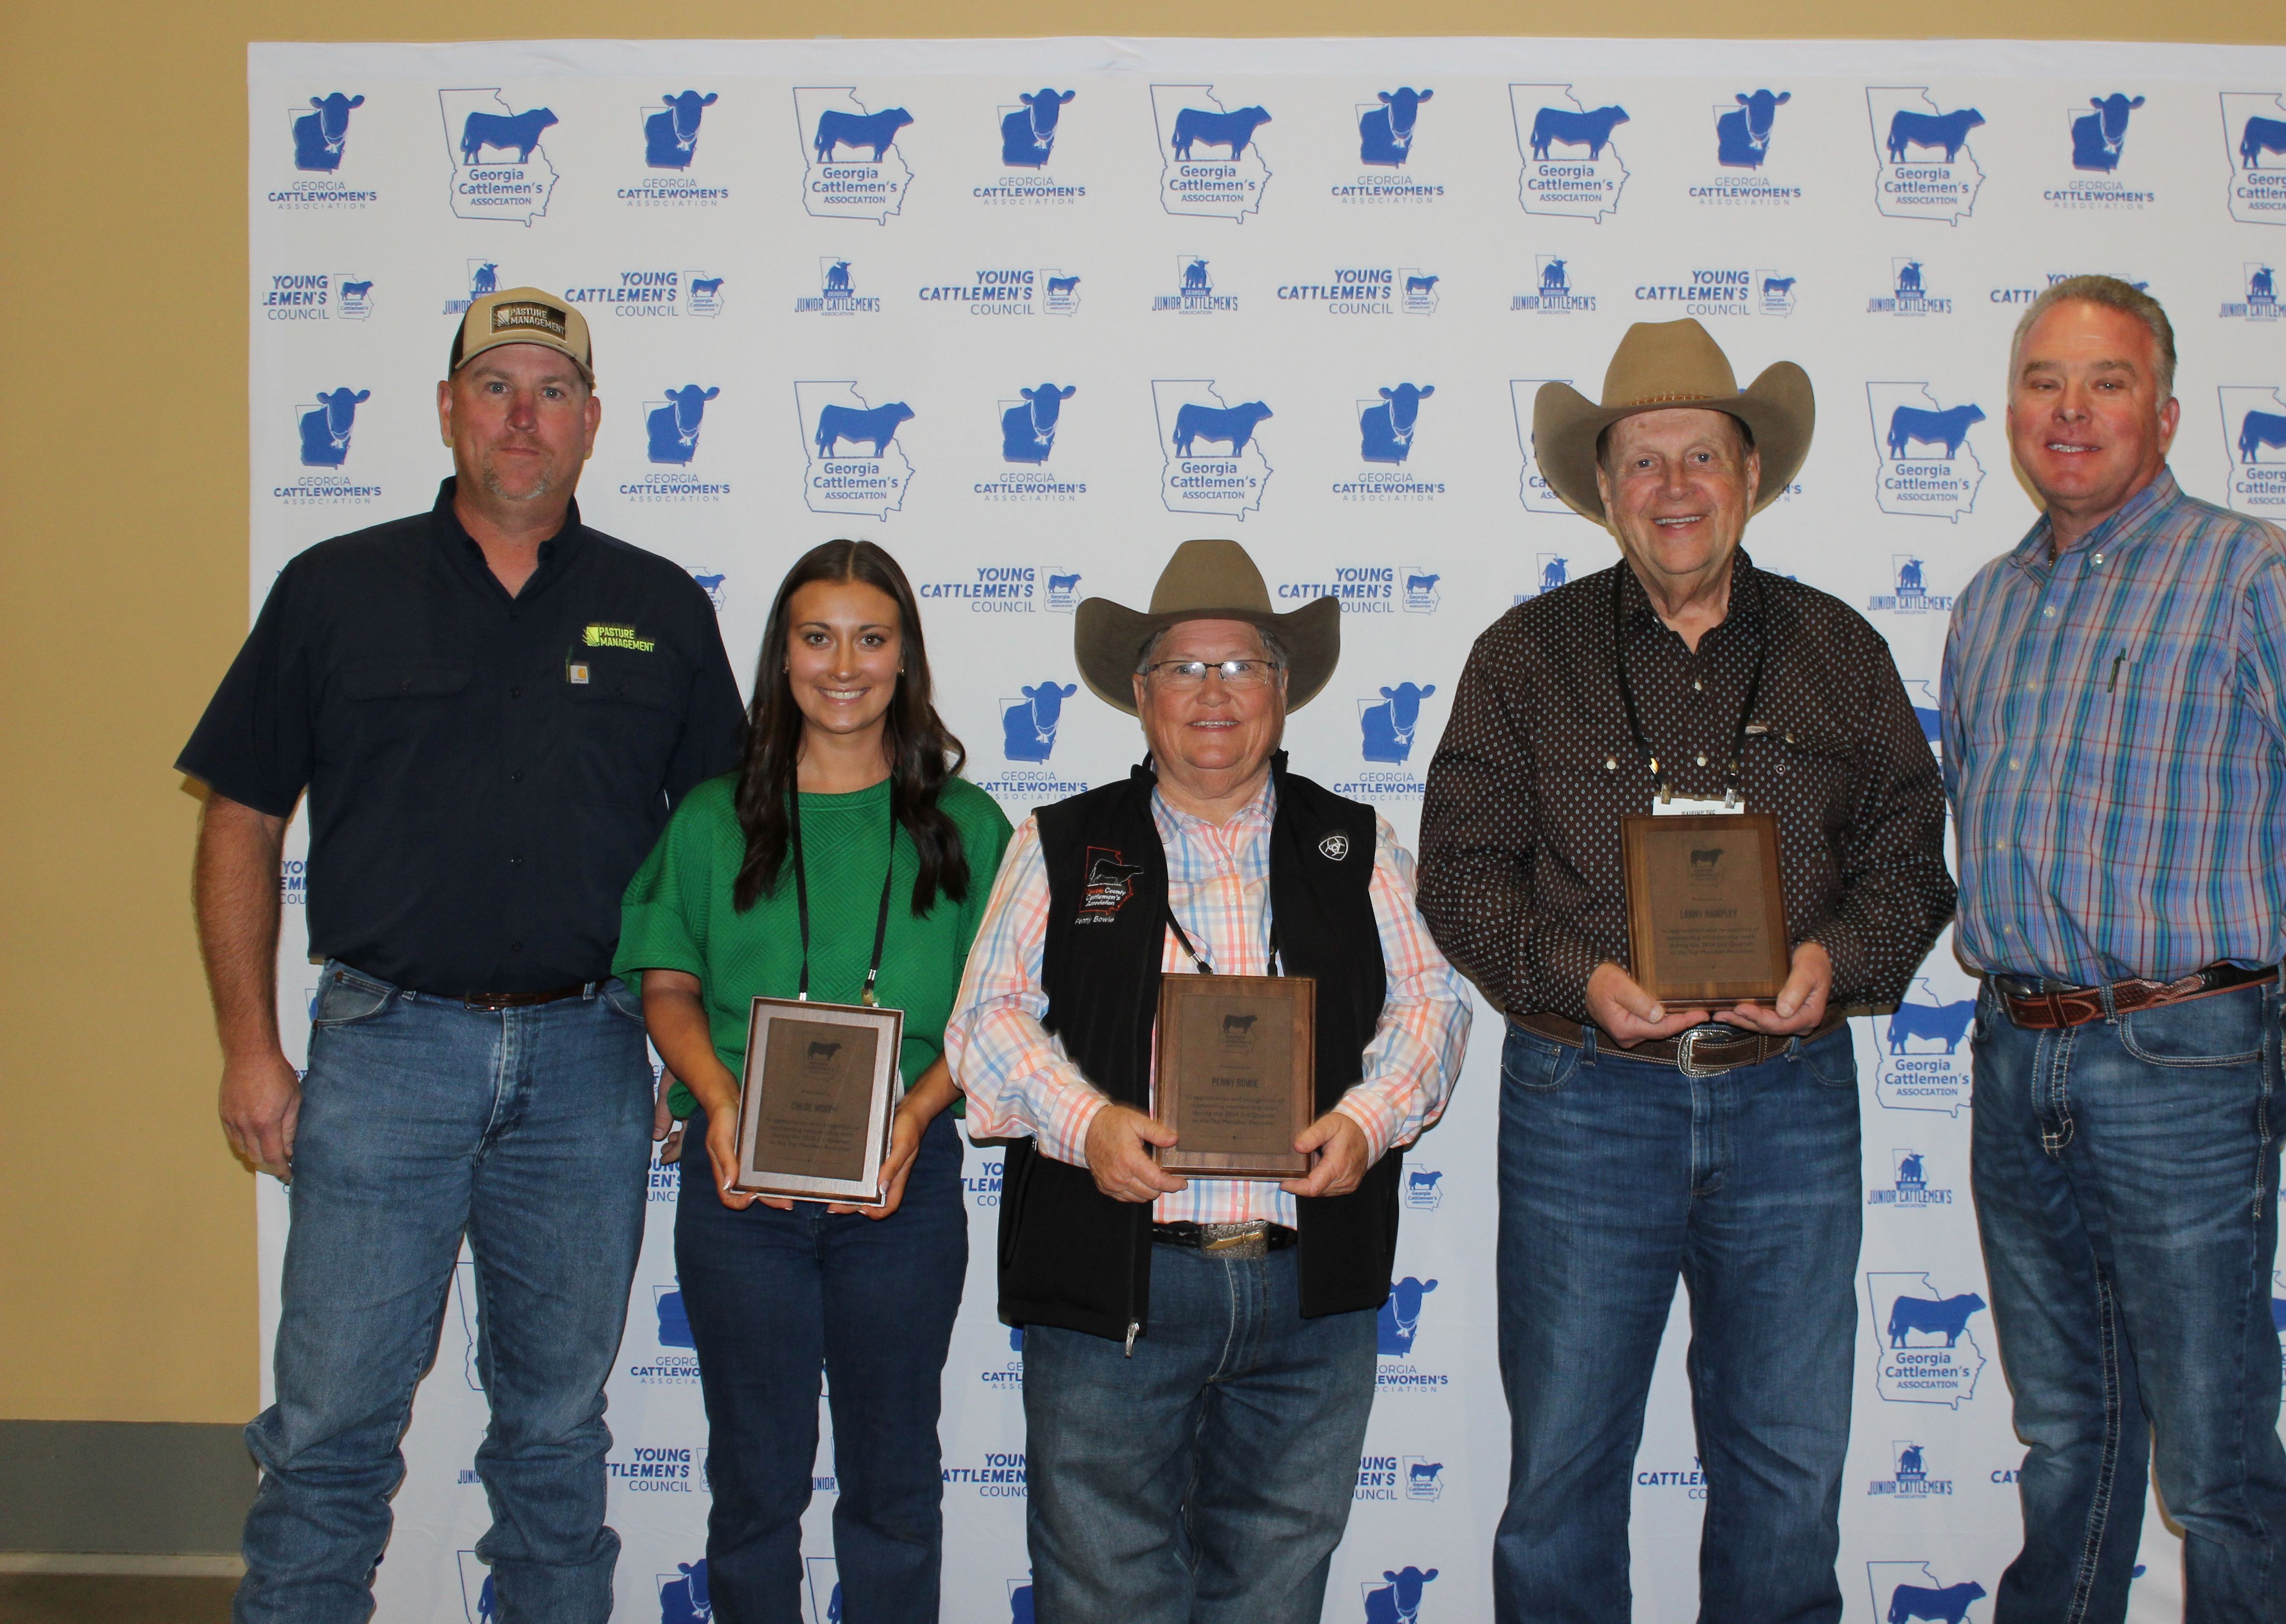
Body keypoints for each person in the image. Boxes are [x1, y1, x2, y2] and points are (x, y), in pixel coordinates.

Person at [181, 287, 745, 1622]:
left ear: (594, 424)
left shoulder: (658, 607)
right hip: (385, 1053)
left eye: (554, 391)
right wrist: (250, 1047)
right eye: (496, 387)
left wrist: (699, 1049)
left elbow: (718, 847)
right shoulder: (333, 591)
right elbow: (242, 823)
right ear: (446, 408)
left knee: (554, 1436)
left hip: (592, 1061)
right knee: (329, 1437)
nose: (523, 416)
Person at [1417, 319, 1954, 1624]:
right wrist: (1580, 972)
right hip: (1585, 1093)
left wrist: (1835, 960)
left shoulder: (1839, 651)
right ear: (1603, 491)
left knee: (1786, 1471)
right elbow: (1464, 873)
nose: (1673, 488)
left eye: (1699, 458)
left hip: (1792, 1097)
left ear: (1750, 477)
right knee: (1563, 1472)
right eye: (1642, 462)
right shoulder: (1523, 657)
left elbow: (1911, 857)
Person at [1941, 275, 2286, 1623]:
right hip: (2017, 1054)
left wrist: (2234, 939)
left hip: (2182, 1059)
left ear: (2163, 416)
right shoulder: (1990, 605)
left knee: (2217, 1460)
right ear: (2012, 410)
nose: (2071, 409)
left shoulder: (2257, 576)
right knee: (2067, 1439)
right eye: (2046, 380)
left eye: (2106, 383)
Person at [946, 539, 1473, 1624]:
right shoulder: (1061, 841)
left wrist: (1368, 1122)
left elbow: (1433, 1004)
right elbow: (985, 1024)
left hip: (1308, 1290)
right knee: (1101, 1598)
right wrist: (1087, 1124)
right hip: (1116, 1279)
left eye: (1240, 666)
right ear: (1139, 695)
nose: (1214, 694)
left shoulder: (1355, 841)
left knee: (1275, 1597)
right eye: (1184, 668)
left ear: (1284, 689)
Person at [617, 540, 1010, 1622]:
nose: (846, 665)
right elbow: (667, 991)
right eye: (818, 636)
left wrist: (919, 1111)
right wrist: (725, 1102)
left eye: (872, 639)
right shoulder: (708, 818)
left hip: (904, 1190)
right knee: (753, 1486)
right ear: (781, 656)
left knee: (893, 1485)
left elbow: (995, 1020)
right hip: (741, 1189)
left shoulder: (971, 828)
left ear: (906, 659)